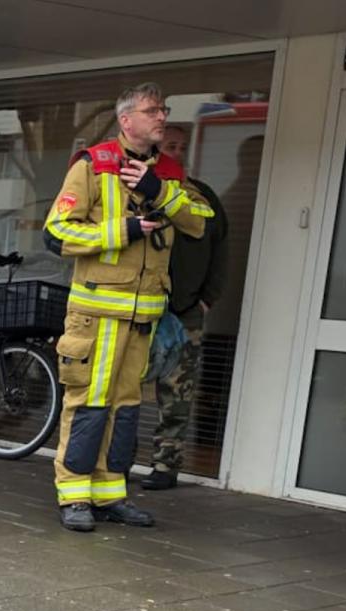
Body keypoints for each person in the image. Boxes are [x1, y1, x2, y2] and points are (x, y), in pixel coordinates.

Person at [43, 82, 211, 533]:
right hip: (96, 314)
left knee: (126, 407)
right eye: (153, 110)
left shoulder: (170, 173)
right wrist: (125, 230)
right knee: (89, 403)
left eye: (164, 108)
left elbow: (198, 224)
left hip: (143, 318)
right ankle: (74, 495)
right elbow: (57, 233)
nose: (162, 117)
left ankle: (110, 494)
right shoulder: (93, 165)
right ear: (126, 120)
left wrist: (160, 191)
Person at [143, 124, 230, 490]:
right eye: (169, 146)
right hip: (142, 304)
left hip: (187, 307)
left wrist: (208, 298)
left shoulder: (203, 196)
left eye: (181, 146)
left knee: (177, 390)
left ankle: (166, 464)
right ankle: (112, 459)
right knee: (125, 385)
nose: (176, 152)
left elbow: (220, 249)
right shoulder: (140, 191)